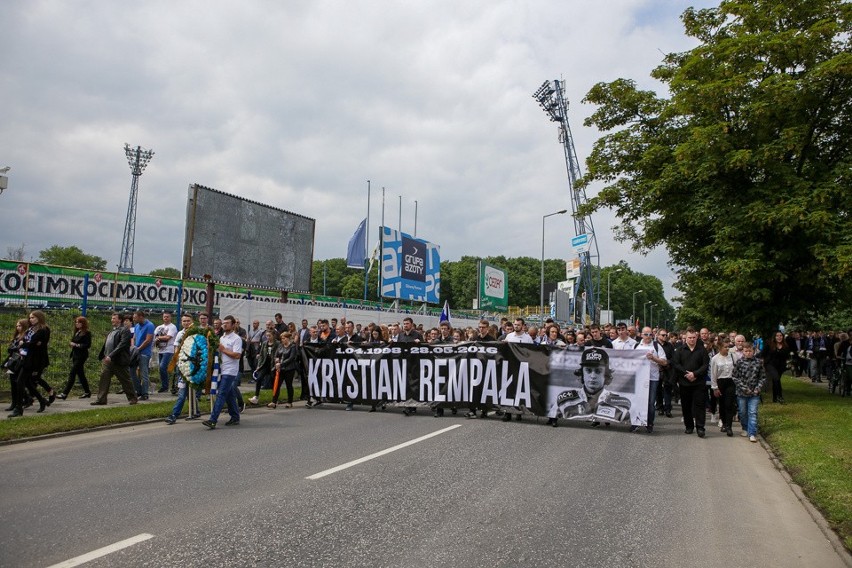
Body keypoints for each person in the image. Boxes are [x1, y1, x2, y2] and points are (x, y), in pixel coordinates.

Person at [9, 311, 52, 417]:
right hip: (25, 358)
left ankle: (19, 408)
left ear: (39, 318)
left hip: (34, 360)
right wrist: (27, 343)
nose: (31, 319)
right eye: (30, 318)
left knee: (20, 381)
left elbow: (37, 344)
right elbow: (28, 342)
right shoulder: (30, 329)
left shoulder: (43, 330)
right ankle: (41, 400)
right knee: (27, 382)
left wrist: (26, 344)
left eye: (33, 317)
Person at [91, 312, 138, 406]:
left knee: (125, 380)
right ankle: (101, 399)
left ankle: (132, 398)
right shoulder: (112, 331)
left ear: (120, 320)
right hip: (108, 361)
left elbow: (122, 344)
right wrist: (103, 355)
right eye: (112, 318)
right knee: (104, 378)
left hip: (119, 360)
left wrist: (111, 355)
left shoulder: (124, 330)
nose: (112, 320)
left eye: (114, 318)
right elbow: (107, 344)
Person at [203, 315, 242, 429]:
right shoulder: (222, 337)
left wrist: (223, 349)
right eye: (224, 323)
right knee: (229, 394)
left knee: (221, 394)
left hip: (230, 370)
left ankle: (213, 419)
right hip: (221, 368)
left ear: (233, 325)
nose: (225, 325)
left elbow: (237, 355)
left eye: (228, 323)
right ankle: (235, 416)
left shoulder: (236, 338)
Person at [672, 327, 710, 438]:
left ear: (697, 337)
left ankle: (700, 428)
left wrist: (695, 374)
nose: (692, 340)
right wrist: (686, 374)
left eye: (694, 337)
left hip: (699, 383)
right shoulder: (680, 350)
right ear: (685, 338)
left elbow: (705, 365)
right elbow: (676, 364)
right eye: (689, 337)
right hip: (684, 383)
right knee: (686, 406)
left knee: (699, 406)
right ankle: (689, 426)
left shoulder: (702, 350)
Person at [633, 326, 667, 433]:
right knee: (637, 401)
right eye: (646, 334)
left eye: (650, 334)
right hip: (639, 378)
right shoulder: (637, 346)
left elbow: (664, 362)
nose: (648, 337)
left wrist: (653, 358)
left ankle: (649, 423)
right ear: (641, 335)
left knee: (651, 402)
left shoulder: (657, 346)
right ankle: (636, 423)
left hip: (652, 378)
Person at [732, 344, 766, 443]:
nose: (748, 353)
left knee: (752, 412)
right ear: (743, 351)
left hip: (754, 393)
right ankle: (745, 428)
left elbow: (762, 377)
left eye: (750, 351)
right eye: (746, 351)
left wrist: (758, 388)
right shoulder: (739, 362)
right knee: (743, 412)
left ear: (753, 351)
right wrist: (743, 388)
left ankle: (752, 433)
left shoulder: (758, 362)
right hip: (742, 393)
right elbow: (735, 377)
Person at [58, 316, 92, 399]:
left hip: (81, 356)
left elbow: (87, 345)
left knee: (72, 373)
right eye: (76, 322)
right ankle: (87, 392)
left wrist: (76, 345)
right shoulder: (77, 332)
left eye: (79, 322)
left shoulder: (87, 333)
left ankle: (65, 393)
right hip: (75, 355)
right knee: (80, 374)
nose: (77, 324)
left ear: (83, 323)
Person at [710, 338, 737, 437]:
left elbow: (737, 368)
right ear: (720, 348)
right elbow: (713, 374)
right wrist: (715, 387)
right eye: (725, 347)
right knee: (722, 404)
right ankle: (724, 423)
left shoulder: (733, 356)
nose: (727, 349)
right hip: (720, 382)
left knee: (729, 404)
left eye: (728, 347)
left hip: (730, 381)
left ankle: (729, 427)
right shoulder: (715, 359)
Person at [4, 319, 28, 414]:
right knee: (12, 382)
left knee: (17, 382)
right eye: (17, 326)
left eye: (20, 326)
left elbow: (20, 349)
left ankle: (20, 401)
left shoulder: (24, 337)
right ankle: (15, 402)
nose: (18, 327)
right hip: (12, 361)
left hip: (18, 361)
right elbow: (11, 349)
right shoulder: (16, 336)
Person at [249, 330, 278, 405]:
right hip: (265, 364)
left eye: (269, 336)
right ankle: (256, 396)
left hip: (273, 365)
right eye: (267, 336)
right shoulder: (265, 343)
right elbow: (261, 355)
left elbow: (279, 353)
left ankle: (274, 399)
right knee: (259, 379)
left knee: (273, 382)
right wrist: (259, 365)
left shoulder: (277, 343)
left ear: (273, 336)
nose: (268, 337)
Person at [268, 332, 297, 409]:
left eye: (284, 338)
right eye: (282, 338)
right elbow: (276, 354)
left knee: (289, 385)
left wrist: (281, 364)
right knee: (277, 384)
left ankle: (289, 402)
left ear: (288, 338)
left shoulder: (292, 347)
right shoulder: (280, 346)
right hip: (280, 369)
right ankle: (274, 401)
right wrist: (276, 360)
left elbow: (291, 358)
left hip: (289, 369)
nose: (283, 340)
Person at [130, 310, 155, 400]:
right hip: (136, 351)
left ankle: (145, 393)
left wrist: (138, 348)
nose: (133, 319)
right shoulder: (136, 326)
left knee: (144, 373)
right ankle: (139, 390)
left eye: (135, 317)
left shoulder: (150, 325)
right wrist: (133, 347)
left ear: (141, 317)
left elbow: (148, 340)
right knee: (132, 371)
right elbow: (134, 337)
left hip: (144, 353)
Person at [762, 331, 790, 403]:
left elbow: (787, 357)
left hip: (780, 366)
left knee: (776, 380)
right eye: (777, 336)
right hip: (770, 364)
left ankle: (775, 398)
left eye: (780, 335)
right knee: (776, 378)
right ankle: (780, 396)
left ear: (783, 337)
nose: (779, 337)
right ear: (774, 337)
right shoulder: (769, 344)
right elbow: (762, 353)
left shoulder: (785, 346)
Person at [154, 312, 177, 393]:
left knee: (162, 367)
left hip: (169, 350)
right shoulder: (159, 327)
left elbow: (168, 337)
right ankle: (164, 386)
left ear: (170, 318)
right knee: (161, 369)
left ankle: (165, 386)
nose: (166, 318)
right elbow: (154, 337)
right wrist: (158, 338)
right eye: (164, 317)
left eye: (167, 317)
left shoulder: (172, 327)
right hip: (160, 349)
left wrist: (159, 337)